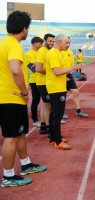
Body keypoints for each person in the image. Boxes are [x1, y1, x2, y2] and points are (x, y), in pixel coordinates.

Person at [0, 11, 47, 188]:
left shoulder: (3, 43)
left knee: (19, 133)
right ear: (24, 28)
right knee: (11, 137)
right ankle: (8, 176)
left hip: (7, 97)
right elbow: (15, 70)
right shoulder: (14, 46)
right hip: (11, 97)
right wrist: (24, 91)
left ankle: (26, 164)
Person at [45, 34, 81, 150]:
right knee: (57, 115)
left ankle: (54, 138)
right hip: (56, 88)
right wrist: (73, 68)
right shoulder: (53, 53)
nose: (68, 45)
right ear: (59, 41)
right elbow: (57, 71)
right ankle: (58, 141)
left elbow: (57, 72)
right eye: (66, 42)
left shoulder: (57, 53)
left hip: (58, 85)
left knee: (55, 113)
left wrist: (65, 76)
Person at [61, 38, 89, 119]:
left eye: (69, 42)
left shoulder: (70, 52)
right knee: (63, 95)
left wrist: (74, 71)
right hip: (61, 76)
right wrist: (65, 75)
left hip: (69, 75)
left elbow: (72, 65)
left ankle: (78, 111)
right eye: (66, 42)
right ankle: (62, 112)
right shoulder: (58, 52)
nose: (68, 44)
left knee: (76, 92)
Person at [35, 33, 55, 135]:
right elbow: (38, 68)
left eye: (53, 41)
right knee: (48, 105)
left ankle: (43, 126)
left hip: (45, 81)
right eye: (50, 41)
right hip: (42, 82)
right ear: (45, 41)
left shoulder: (48, 51)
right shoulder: (43, 51)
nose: (52, 43)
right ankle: (48, 127)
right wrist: (51, 71)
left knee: (45, 104)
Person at [26, 36, 44, 127]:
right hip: (34, 80)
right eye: (40, 43)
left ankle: (45, 120)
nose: (41, 45)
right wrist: (39, 65)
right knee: (36, 100)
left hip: (42, 79)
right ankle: (35, 120)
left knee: (45, 101)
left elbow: (39, 66)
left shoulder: (39, 53)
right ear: (35, 43)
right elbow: (33, 68)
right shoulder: (29, 54)